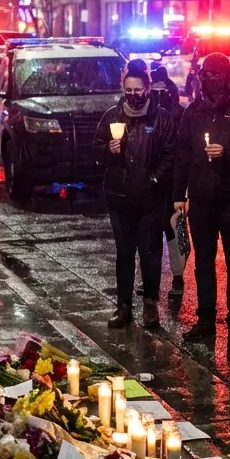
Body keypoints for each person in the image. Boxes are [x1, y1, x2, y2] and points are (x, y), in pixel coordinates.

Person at [172, 53, 230, 348]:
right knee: (203, 263)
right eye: (206, 74)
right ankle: (206, 319)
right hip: (201, 198)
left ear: (228, 76)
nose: (211, 80)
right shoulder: (193, 111)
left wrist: (229, 154)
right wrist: (178, 195)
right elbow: (182, 155)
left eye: (217, 74)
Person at [95, 64, 176, 329]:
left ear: (148, 88)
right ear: (123, 89)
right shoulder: (111, 116)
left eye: (138, 89)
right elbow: (96, 154)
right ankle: (123, 307)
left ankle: (150, 306)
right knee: (125, 253)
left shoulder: (161, 118)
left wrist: (153, 179)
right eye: (128, 90)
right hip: (119, 197)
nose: (133, 94)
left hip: (151, 198)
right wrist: (109, 150)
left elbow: (169, 154)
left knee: (150, 253)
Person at [151, 66, 188, 301]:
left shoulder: (179, 112)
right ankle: (150, 279)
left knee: (174, 230)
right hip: (151, 183)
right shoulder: (146, 111)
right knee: (150, 233)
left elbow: (183, 151)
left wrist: (181, 189)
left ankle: (178, 277)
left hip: (171, 183)